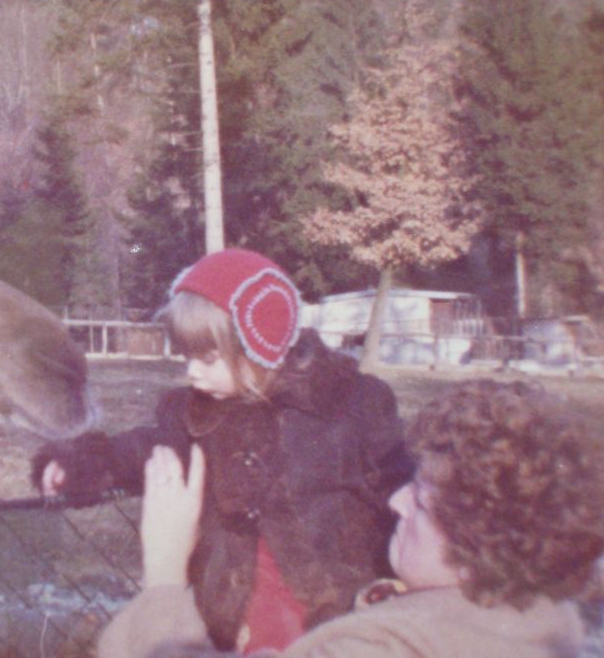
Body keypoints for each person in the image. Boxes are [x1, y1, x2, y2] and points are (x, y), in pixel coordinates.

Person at [32, 248, 412, 652]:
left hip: (331, 605)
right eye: (187, 356)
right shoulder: (193, 414)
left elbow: (398, 486)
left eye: (208, 358)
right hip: (233, 603)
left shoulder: (351, 404)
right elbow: (146, 449)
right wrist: (86, 462)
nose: (191, 372)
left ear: (260, 344)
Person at [99, 379, 604, 658]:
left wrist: (164, 576)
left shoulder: (379, 648)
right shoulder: (543, 621)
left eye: (422, 502)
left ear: (480, 557)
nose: (396, 502)